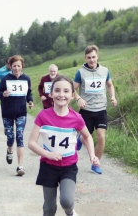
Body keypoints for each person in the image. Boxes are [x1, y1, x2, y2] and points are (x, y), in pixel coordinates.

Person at [29, 75, 99, 216]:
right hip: (48, 167)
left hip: (68, 167)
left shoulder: (76, 118)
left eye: (66, 91)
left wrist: (92, 155)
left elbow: (87, 136)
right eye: (57, 90)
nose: (61, 94)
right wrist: (48, 154)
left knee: (66, 201)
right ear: (51, 93)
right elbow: (31, 143)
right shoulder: (43, 116)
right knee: (49, 209)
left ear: (72, 95)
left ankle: (70, 212)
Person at [73, 45, 117, 175]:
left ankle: (95, 163)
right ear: (85, 58)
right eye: (89, 58)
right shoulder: (80, 72)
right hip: (86, 110)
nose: (91, 60)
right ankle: (80, 138)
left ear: (97, 56)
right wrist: (78, 99)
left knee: (101, 137)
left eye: (93, 57)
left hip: (101, 109)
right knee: (87, 136)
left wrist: (113, 97)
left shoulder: (105, 71)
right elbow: (72, 88)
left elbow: (110, 85)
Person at [0, 55, 34, 176]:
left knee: (20, 136)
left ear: (22, 66)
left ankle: (20, 166)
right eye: (14, 66)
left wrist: (30, 101)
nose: (16, 68)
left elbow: (29, 92)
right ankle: (9, 149)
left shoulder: (26, 78)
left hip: (21, 112)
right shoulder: (6, 79)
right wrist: (3, 94)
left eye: (18, 65)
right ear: (10, 67)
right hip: (7, 112)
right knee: (11, 137)